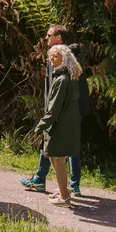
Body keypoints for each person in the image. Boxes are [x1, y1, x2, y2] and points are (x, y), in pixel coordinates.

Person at [20, 25, 89, 196]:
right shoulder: (68, 57)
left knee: (56, 146)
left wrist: (48, 114)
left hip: (63, 109)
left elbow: (55, 87)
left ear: (59, 38)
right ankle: (66, 183)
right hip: (69, 109)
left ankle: (57, 184)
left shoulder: (60, 58)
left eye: (49, 35)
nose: (46, 38)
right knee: (68, 148)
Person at [30, 43, 83, 207]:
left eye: (55, 56)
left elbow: (53, 110)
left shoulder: (61, 79)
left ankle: (65, 198)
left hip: (59, 125)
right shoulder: (70, 76)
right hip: (67, 124)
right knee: (55, 157)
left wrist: (40, 127)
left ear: (65, 58)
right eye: (50, 56)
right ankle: (63, 192)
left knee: (57, 158)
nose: (51, 59)